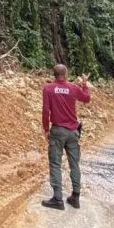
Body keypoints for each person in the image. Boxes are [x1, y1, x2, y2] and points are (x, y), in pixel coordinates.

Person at [41, 63, 91, 210]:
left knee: (55, 163)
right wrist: (85, 85)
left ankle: (58, 198)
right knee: (74, 163)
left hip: (57, 131)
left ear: (54, 75)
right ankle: (75, 197)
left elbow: (46, 111)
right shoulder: (73, 88)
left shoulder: (48, 88)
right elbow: (87, 98)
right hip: (73, 131)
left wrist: (46, 129)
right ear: (66, 74)